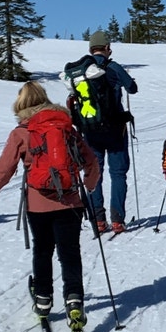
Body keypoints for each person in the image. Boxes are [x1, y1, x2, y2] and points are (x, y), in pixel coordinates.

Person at [0, 81, 101, 325]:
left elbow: (4, 170)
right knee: (70, 252)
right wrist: (89, 185)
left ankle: (43, 298)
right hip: (70, 201)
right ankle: (74, 299)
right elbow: (91, 161)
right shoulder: (66, 126)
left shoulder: (21, 132)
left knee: (43, 249)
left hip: (38, 204)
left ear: (20, 104)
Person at [63, 30, 137, 233]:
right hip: (115, 130)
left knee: (94, 172)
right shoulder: (112, 67)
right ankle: (117, 220)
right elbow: (132, 88)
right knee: (118, 173)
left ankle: (98, 219)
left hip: (90, 131)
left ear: (90, 49)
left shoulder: (80, 71)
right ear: (107, 48)